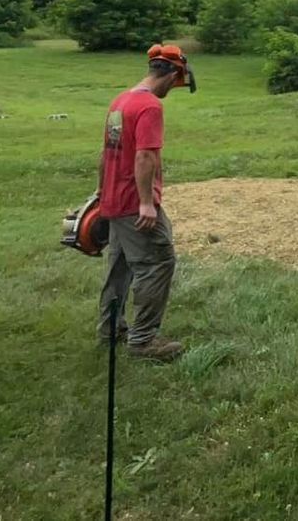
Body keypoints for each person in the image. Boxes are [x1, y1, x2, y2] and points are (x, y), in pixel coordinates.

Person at [96, 43, 194, 362]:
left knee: (120, 267)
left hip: (114, 199)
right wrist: (147, 203)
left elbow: (106, 153)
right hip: (133, 204)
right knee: (158, 261)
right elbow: (145, 156)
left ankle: (110, 330)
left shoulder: (120, 101)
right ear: (173, 75)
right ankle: (143, 341)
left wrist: (102, 192)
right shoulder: (150, 106)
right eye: (177, 82)